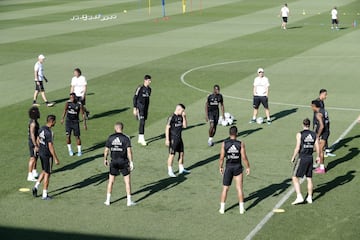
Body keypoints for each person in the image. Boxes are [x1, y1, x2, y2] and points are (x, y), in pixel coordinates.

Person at [218, 126, 250, 214]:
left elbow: (221, 157)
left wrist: (220, 167)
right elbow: (244, 157)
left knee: (225, 188)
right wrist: (248, 167)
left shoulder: (224, 143)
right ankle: (241, 209)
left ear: (229, 134)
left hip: (228, 168)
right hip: (238, 167)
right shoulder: (240, 144)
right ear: (237, 133)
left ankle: (222, 208)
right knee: (239, 188)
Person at [103, 122, 136, 207]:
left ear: (115, 128)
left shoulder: (110, 137)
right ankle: (129, 201)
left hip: (113, 162)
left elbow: (106, 150)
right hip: (123, 162)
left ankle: (107, 200)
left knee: (111, 181)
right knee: (127, 182)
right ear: (122, 128)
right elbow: (129, 151)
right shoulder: (126, 138)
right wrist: (131, 162)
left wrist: (105, 159)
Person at [290, 118, 320, 205]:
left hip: (302, 158)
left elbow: (298, 147)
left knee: (295, 177)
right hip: (310, 158)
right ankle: (310, 197)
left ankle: (299, 196)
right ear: (309, 125)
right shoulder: (314, 134)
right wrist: (318, 156)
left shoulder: (300, 134)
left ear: (303, 124)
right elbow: (317, 146)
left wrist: (293, 157)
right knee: (309, 178)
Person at [32, 115, 60, 200]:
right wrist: (55, 158)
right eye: (54, 121)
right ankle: (44, 194)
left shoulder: (41, 129)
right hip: (47, 155)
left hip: (41, 153)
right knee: (47, 173)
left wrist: (37, 147)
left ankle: (36, 186)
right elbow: (50, 146)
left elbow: (37, 139)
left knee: (44, 170)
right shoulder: (49, 132)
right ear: (51, 121)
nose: (55, 123)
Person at [165, 104, 190, 177]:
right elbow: (167, 128)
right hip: (173, 139)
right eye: (182, 110)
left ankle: (181, 169)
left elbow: (185, 126)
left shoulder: (180, 117)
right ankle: (170, 171)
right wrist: (167, 139)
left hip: (179, 138)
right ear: (178, 109)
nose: (183, 112)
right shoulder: (171, 117)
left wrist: (184, 117)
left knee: (181, 153)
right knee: (172, 155)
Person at [313, 89, 335, 158]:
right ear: (321, 94)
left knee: (325, 135)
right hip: (318, 123)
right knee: (319, 138)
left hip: (322, 122)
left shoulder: (321, 102)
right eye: (325, 94)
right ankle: (319, 152)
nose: (326, 96)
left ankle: (326, 150)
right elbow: (315, 109)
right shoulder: (317, 102)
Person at [311, 100, 330, 174]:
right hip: (326, 131)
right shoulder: (324, 111)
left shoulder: (318, 114)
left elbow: (321, 126)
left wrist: (318, 135)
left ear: (314, 106)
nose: (311, 107)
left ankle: (322, 168)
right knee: (318, 149)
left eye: (311, 106)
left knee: (320, 150)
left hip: (323, 133)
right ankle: (319, 162)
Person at [133, 75, 152, 146]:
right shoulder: (140, 88)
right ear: (145, 80)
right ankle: (141, 138)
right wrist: (135, 108)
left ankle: (139, 138)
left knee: (143, 122)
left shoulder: (149, 89)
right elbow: (135, 98)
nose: (150, 81)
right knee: (142, 122)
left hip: (145, 108)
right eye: (149, 80)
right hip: (139, 108)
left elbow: (147, 100)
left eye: (150, 80)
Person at [27, 106, 40, 181]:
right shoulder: (33, 123)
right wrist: (35, 145)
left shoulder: (33, 121)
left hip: (34, 141)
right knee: (32, 158)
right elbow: (32, 134)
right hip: (33, 142)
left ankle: (34, 171)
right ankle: (29, 175)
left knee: (35, 157)